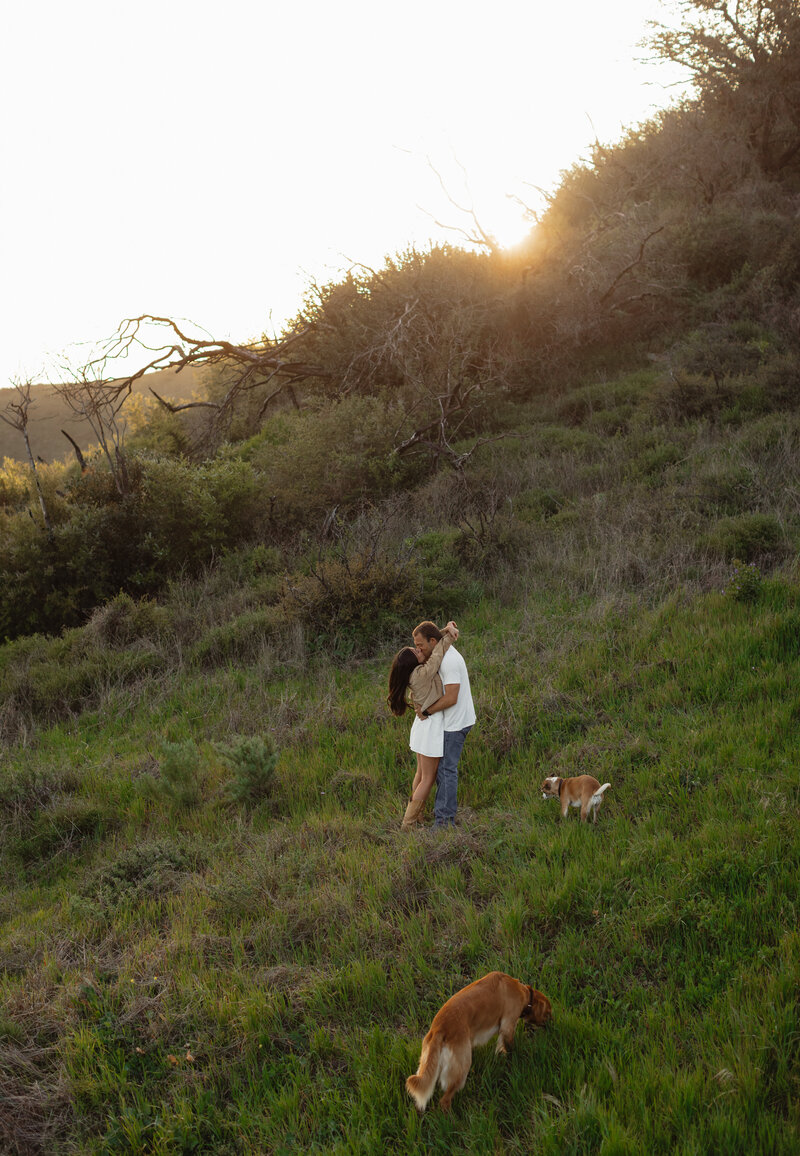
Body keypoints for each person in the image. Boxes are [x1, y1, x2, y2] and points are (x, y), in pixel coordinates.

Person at [387, 621, 459, 829]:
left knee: (420, 774)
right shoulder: (421, 674)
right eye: (415, 651)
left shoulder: (413, 675)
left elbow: (432, 643)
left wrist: (444, 629)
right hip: (430, 726)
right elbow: (436, 655)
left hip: (421, 726)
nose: (419, 650)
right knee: (428, 777)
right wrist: (449, 635)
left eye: (418, 647)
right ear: (413, 663)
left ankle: (416, 817)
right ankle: (408, 822)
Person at [412, 619, 475, 828]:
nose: (418, 649)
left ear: (432, 641)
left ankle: (444, 822)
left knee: (446, 770)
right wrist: (448, 629)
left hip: (456, 723)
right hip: (448, 721)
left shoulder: (449, 661)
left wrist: (426, 711)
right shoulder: (440, 650)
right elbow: (438, 637)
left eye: (420, 645)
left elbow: (451, 698)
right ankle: (438, 816)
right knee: (440, 771)